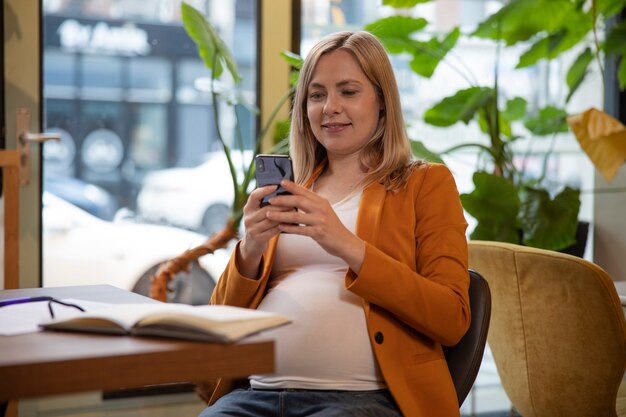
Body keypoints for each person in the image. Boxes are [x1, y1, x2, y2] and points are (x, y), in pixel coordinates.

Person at [199, 31, 470, 417]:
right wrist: (250, 250)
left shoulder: (424, 184)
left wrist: (346, 244)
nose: (330, 108)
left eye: (348, 91)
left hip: (362, 400)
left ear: (381, 102)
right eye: (317, 94)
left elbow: (452, 318)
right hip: (254, 395)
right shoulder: (292, 190)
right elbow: (218, 324)